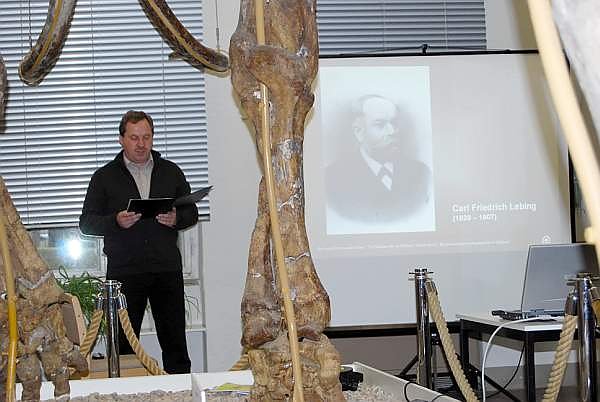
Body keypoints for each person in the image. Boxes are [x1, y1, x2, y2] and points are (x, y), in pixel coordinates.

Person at [79, 110, 198, 373]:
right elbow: (86, 222)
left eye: (146, 137)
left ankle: (180, 390)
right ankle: (124, 391)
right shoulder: (103, 177)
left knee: (175, 344)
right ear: (121, 139)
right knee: (123, 346)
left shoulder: (171, 172)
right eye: (134, 138)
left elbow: (191, 212)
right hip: (124, 273)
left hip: (166, 269)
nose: (141, 144)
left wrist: (177, 218)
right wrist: (115, 221)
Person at [326, 94, 433, 223]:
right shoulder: (333, 178)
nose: (392, 131)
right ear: (359, 132)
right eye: (380, 125)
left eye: (394, 123)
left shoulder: (421, 173)